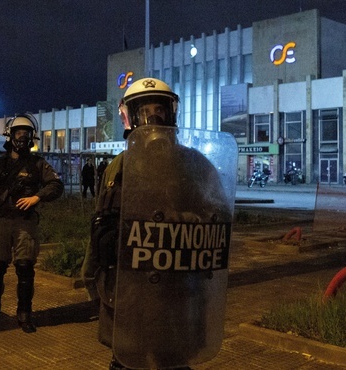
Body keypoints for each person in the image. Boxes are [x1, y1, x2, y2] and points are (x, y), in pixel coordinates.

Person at [81, 78, 234, 369]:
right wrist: (92, 275)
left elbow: (217, 222)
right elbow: (100, 222)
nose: (153, 118)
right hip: (129, 293)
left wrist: (180, 224)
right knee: (126, 358)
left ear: (171, 114)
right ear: (132, 117)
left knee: (173, 359)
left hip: (177, 293)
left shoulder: (195, 165)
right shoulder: (117, 167)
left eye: (160, 110)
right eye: (145, 111)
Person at [0, 114, 63, 333]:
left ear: (32, 137)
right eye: (18, 133)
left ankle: (25, 314)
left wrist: (37, 197)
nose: (22, 137)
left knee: (25, 270)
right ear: (10, 135)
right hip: (0, 223)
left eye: (26, 134)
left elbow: (56, 185)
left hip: (25, 223)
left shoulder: (38, 164)